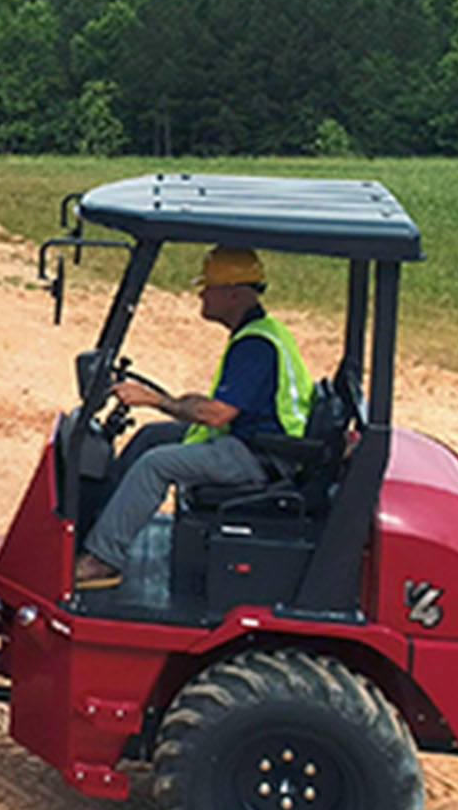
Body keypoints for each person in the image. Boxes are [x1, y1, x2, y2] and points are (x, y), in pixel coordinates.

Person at [74, 246, 312, 591]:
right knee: (151, 438)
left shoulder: (256, 345)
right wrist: (164, 403)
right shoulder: (259, 332)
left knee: (156, 464)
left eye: (209, 287)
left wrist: (156, 400)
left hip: (263, 457)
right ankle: (101, 528)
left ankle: (102, 560)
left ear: (233, 293)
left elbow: (217, 414)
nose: (202, 294)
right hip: (254, 442)